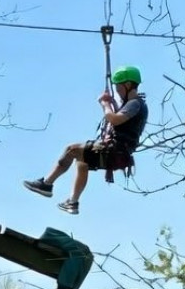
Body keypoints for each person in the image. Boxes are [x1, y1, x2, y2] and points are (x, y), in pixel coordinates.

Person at [22, 65, 148, 215]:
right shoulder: (133, 105)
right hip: (119, 152)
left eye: (119, 87)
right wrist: (112, 104)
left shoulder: (135, 104)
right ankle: (72, 202)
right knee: (82, 162)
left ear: (127, 85)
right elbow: (121, 119)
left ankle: (46, 184)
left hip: (115, 150)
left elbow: (114, 119)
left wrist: (105, 105)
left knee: (71, 150)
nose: (118, 91)